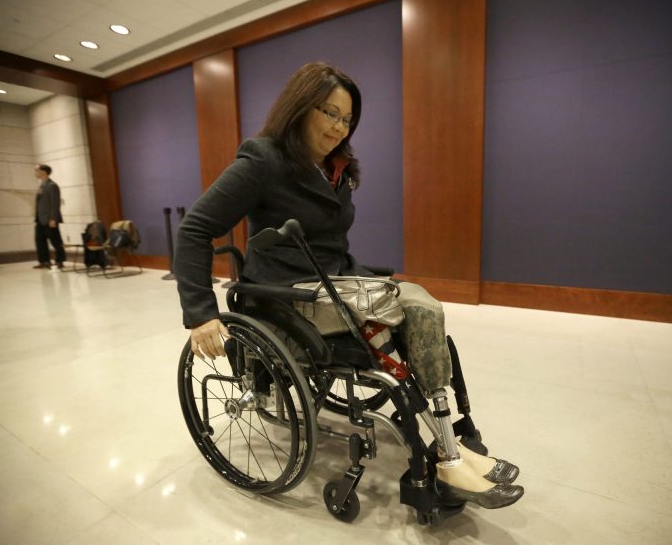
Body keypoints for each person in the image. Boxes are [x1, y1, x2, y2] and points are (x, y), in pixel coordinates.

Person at [174, 63, 523, 509]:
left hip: (335, 281)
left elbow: (333, 243)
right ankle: (447, 454)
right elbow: (195, 229)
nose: (339, 127)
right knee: (387, 319)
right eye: (329, 113)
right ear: (300, 107)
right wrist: (200, 314)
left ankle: (449, 442)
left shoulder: (336, 169)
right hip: (286, 293)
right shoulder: (264, 159)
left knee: (423, 308)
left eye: (347, 119)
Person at [33, 164, 66, 269]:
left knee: (55, 241)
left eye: (36, 170)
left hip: (49, 219)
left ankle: (60, 261)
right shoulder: (42, 185)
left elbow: (55, 204)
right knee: (40, 240)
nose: (35, 172)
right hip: (40, 219)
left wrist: (53, 219)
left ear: (43, 172)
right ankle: (44, 261)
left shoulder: (52, 185)